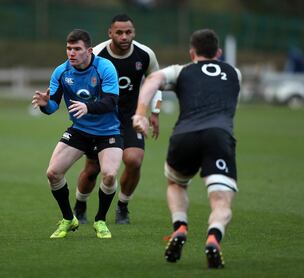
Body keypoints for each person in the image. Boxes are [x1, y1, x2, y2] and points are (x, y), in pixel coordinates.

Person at [133, 29, 241, 268]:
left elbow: (153, 80)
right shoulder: (235, 73)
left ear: (192, 52)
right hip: (219, 136)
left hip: (184, 136)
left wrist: (141, 114)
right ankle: (214, 235)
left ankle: (180, 226)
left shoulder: (181, 71)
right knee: (221, 201)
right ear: (219, 53)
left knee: (176, 182)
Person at [32, 29, 123, 239]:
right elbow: (53, 104)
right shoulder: (61, 72)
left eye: (77, 49)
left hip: (108, 130)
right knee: (53, 173)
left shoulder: (105, 67)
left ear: (89, 50)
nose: (71, 53)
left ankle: (100, 220)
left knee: (109, 175)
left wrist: (88, 108)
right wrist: (46, 104)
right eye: (69, 48)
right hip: (80, 130)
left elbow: (111, 101)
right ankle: (68, 218)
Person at [73, 14, 162, 224]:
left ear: (134, 32)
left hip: (131, 118)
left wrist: (155, 112)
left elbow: (156, 81)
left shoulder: (145, 54)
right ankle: (80, 204)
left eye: (128, 32)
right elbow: (78, 79)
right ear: (110, 33)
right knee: (93, 169)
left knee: (134, 160)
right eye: (119, 32)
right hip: (101, 120)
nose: (124, 36)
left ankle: (123, 206)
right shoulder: (96, 54)